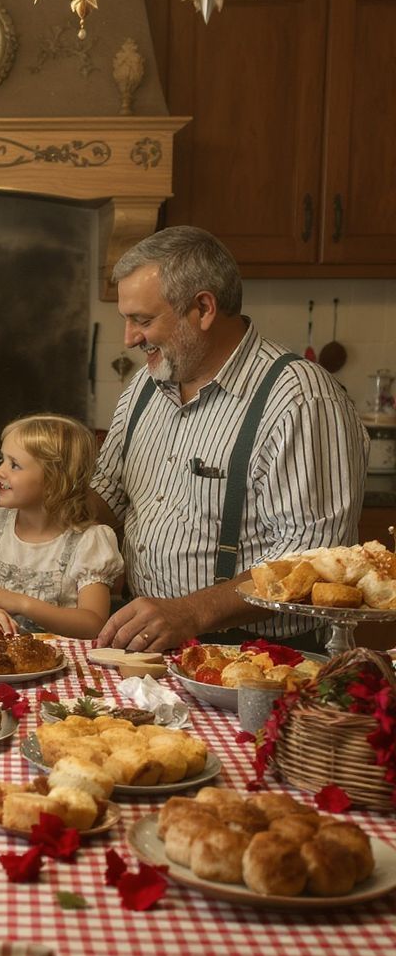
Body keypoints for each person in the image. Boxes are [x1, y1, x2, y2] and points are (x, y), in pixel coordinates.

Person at [91, 226, 369, 654]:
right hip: (151, 646)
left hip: (260, 660)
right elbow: (109, 494)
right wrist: (31, 499)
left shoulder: (300, 399)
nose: (129, 338)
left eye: (142, 320)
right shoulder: (146, 384)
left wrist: (190, 613)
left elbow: (312, 561)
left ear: (203, 308)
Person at [0, 414, 123, 636]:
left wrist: (22, 603)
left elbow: (93, 624)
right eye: (1, 460)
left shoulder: (89, 541)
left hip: (60, 665)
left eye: (15, 465)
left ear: (54, 481)